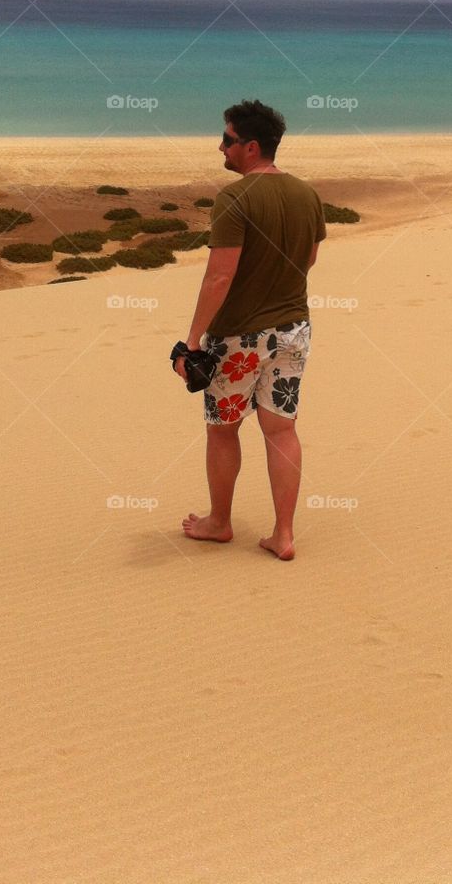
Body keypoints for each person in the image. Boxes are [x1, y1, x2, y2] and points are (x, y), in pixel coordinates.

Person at [173, 99, 326, 560]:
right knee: (281, 431)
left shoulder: (233, 198)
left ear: (252, 147)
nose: (221, 146)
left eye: (228, 139)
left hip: (238, 336)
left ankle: (220, 522)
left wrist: (193, 339)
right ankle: (283, 534)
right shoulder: (306, 194)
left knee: (223, 430)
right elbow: (310, 259)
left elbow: (219, 276)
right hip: (294, 331)